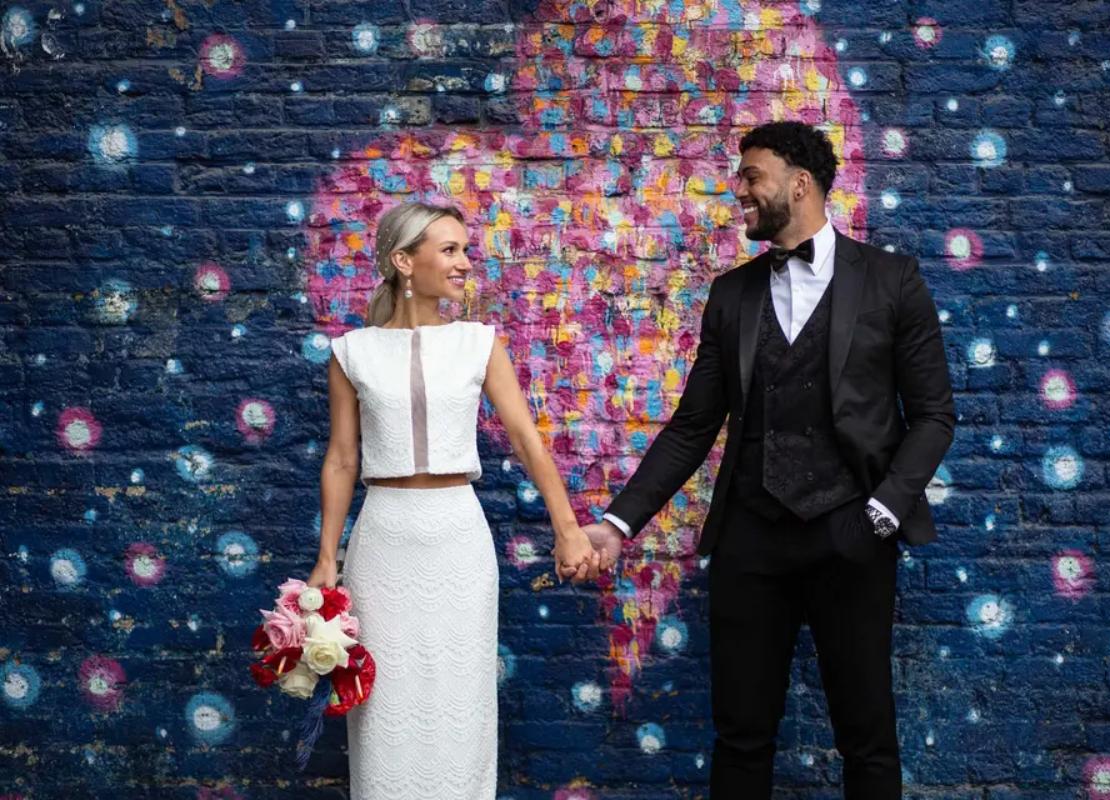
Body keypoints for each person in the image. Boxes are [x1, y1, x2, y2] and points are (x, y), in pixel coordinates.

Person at [582, 121, 956, 799]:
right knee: (742, 735)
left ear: (800, 184)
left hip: (852, 534)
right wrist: (617, 524)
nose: (740, 191)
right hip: (750, 541)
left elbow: (934, 416)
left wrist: (880, 512)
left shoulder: (892, 280)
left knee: (866, 736)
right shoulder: (732, 295)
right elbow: (694, 426)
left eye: (752, 176)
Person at [307, 201, 600, 799]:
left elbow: (524, 437)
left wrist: (567, 528)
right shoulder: (351, 352)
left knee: (460, 705)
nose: (465, 262)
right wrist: (326, 558)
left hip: (458, 539)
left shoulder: (479, 343)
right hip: (383, 541)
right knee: (382, 706)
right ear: (403, 261)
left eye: (466, 250)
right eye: (450, 250)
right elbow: (342, 458)